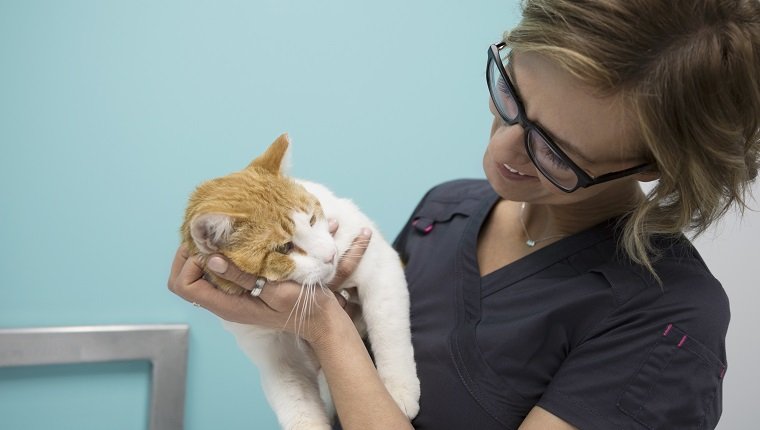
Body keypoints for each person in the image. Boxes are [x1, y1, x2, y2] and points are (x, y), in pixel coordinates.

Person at [168, 0, 760, 428]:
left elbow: (339, 344)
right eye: (511, 95)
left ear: (650, 165)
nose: (500, 152)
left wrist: (324, 328)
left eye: (555, 151)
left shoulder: (668, 321)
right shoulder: (447, 210)